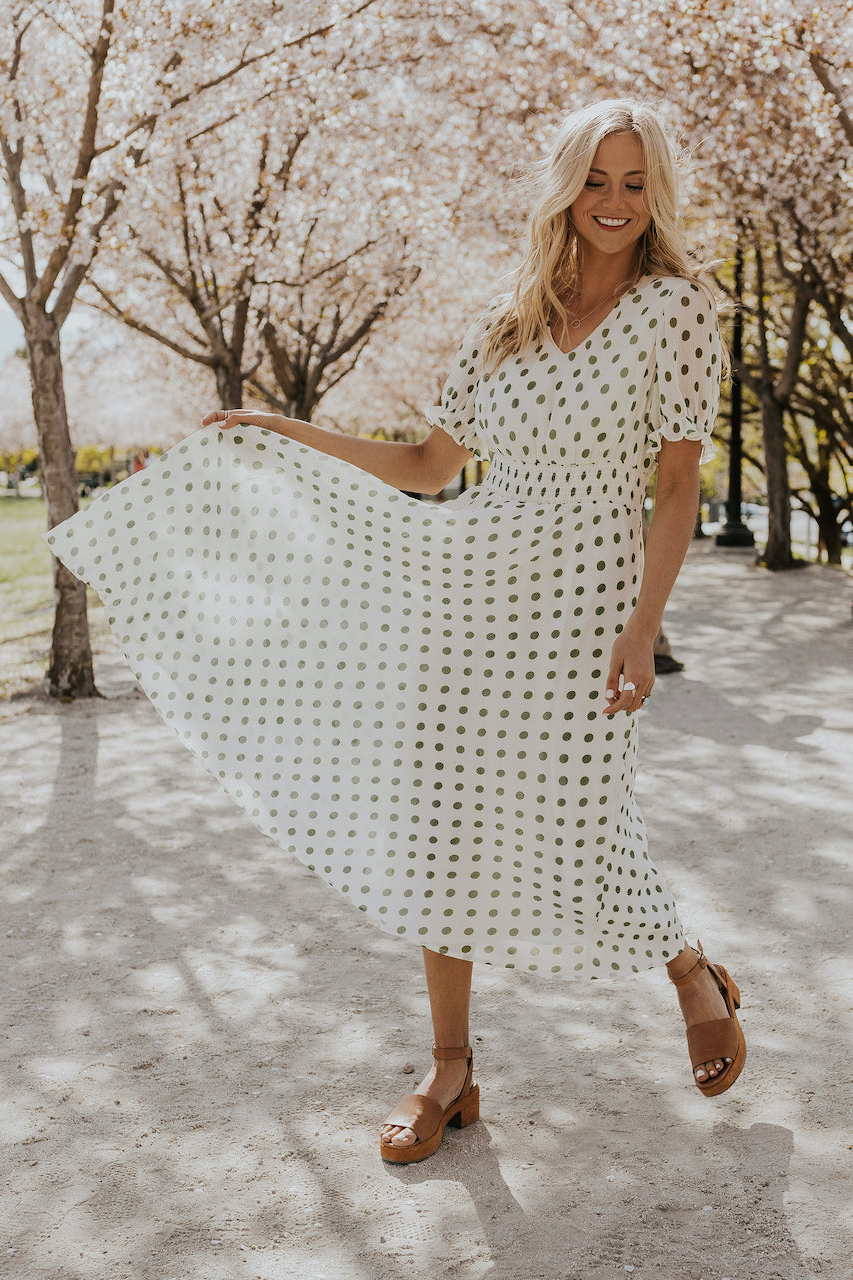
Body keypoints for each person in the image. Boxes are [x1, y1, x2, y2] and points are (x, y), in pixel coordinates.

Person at [45, 98, 745, 1167]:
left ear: (656, 193)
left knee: (579, 809)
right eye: (595, 180)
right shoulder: (506, 320)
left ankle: (686, 965)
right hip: (469, 592)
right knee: (445, 821)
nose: (612, 203)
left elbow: (677, 481)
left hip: (585, 602)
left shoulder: (680, 308)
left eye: (633, 182)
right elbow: (428, 467)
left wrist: (644, 622)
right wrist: (280, 431)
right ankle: (450, 1064)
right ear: (565, 187)